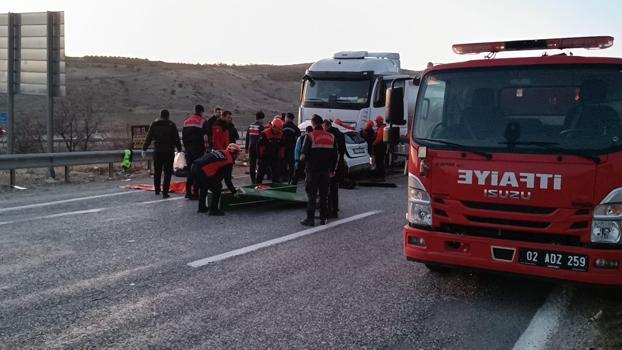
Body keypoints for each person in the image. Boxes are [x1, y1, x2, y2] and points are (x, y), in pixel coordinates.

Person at [300, 114, 337, 226]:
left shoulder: (310, 136)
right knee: (323, 195)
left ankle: (310, 219)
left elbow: (303, 156)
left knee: (312, 194)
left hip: (312, 170)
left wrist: (300, 164)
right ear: (321, 123)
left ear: (313, 123)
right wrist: (332, 169)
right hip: (325, 170)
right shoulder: (331, 137)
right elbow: (335, 155)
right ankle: (323, 218)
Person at [191, 143, 241, 216]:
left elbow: (217, 171)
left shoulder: (221, 152)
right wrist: (234, 192)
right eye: (237, 154)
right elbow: (227, 180)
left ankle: (201, 208)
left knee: (204, 186)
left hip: (194, 167)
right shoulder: (228, 161)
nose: (237, 156)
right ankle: (213, 210)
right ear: (233, 153)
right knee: (217, 187)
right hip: (202, 170)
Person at [142, 109, 182, 198]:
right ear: (168, 116)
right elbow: (176, 139)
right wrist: (179, 149)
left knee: (157, 171)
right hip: (169, 151)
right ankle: (165, 192)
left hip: (158, 151)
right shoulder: (171, 125)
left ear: (160, 115)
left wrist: (144, 149)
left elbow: (149, 137)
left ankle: (157, 190)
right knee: (167, 172)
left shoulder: (154, 124)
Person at [182, 104, 210, 199]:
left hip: (188, 149)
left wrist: (186, 149)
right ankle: (195, 192)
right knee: (198, 170)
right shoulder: (203, 121)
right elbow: (206, 137)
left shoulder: (186, 121)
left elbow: (184, 137)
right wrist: (207, 150)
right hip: (198, 149)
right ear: (202, 112)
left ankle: (188, 192)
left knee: (190, 170)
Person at [323, 119, 346, 219]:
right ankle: (335, 210)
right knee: (334, 189)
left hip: (331, 166)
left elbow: (330, 153)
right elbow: (342, 151)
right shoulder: (340, 134)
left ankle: (330, 210)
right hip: (339, 164)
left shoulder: (329, 135)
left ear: (325, 125)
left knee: (328, 189)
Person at [257, 116, 285, 184]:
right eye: (277, 129)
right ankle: (257, 186)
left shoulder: (281, 134)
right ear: (273, 126)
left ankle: (275, 187)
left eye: (280, 129)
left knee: (276, 174)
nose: (278, 131)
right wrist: (260, 157)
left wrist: (281, 156)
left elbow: (282, 146)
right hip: (265, 156)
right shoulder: (265, 133)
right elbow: (260, 146)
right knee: (260, 173)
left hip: (275, 157)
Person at [245, 111, 265, 184]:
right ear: (262, 119)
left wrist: (246, 148)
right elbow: (263, 139)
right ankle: (258, 180)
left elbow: (247, 138)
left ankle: (253, 180)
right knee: (260, 164)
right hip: (258, 148)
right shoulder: (262, 127)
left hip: (251, 148)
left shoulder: (250, 126)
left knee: (252, 164)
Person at [282, 112, 301, 184]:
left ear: (287, 118)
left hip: (283, 148)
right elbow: (298, 140)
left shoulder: (282, 126)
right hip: (292, 149)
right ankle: (291, 179)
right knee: (291, 164)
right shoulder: (296, 128)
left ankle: (283, 177)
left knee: (283, 163)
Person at [373, 116, 387, 181]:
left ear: (379, 122)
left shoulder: (381, 129)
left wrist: (373, 144)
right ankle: (381, 176)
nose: (376, 123)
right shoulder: (383, 128)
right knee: (380, 162)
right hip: (382, 147)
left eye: (377, 122)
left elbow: (379, 139)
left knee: (379, 162)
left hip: (380, 148)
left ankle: (380, 177)